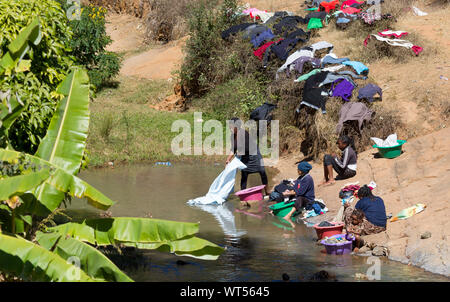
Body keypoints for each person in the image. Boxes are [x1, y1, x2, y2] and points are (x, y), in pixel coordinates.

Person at [225, 117, 269, 196]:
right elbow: (233, 149)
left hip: (254, 155)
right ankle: (243, 195)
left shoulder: (243, 133)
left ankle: (267, 192)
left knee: (262, 171)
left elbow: (246, 148)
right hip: (245, 156)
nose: (230, 127)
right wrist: (228, 159)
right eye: (229, 125)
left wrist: (238, 155)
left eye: (231, 126)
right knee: (244, 174)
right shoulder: (232, 136)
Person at [344, 185, 387, 249]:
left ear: (361, 195)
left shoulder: (362, 201)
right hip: (382, 227)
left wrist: (347, 207)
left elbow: (355, 214)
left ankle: (351, 230)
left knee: (349, 210)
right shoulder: (379, 199)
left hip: (371, 227)